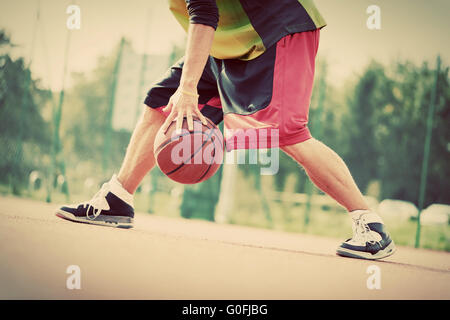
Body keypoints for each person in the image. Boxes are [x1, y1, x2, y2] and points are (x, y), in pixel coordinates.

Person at [56, 0, 396, 260]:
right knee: (162, 103)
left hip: (276, 31)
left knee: (285, 133)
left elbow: (204, 13)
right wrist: (185, 88)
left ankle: (369, 224)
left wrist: (189, 88)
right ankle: (118, 198)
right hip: (229, 44)